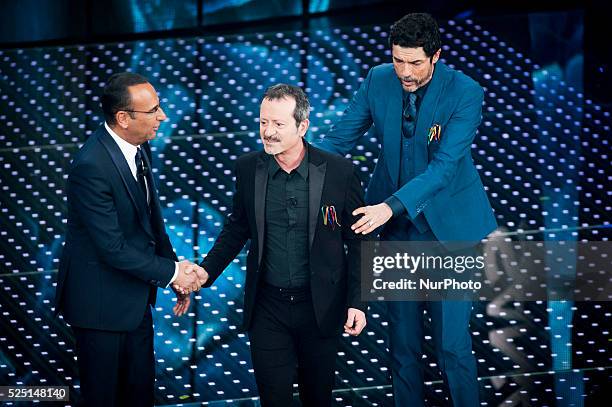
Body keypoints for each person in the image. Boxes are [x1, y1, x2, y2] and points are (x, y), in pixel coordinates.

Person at [316, 13, 497, 407]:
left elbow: (445, 167)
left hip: (449, 231)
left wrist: (387, 207)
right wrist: (297, 158)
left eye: (415, 62)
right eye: (399, 60)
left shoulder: (465, 92)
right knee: (402, 345)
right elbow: (340, 138)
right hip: (398, 231)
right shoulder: (378, 79)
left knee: (451, 346)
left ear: (436, 55)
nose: (405, 71)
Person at [191, 84, 367, 406]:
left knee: (318, 399)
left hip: (320, 309)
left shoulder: (339, 172)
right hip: (268, 309)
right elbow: (236, 229)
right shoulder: (248, 169)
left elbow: (359, 240)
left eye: (278, 124)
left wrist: (357, 302)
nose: (267, 133)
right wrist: (205, 273)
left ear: (302, 126)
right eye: (262, 123)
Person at [54, 72, 206, 407]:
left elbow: (151, 220)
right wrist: (172, 274)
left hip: (135, 303)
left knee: (139, 395)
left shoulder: (139, 146)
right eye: (153, 111)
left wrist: (174, 269)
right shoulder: (91, 166)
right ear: (123, 118)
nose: (162, 117)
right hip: (100, 309)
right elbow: (112, 248)